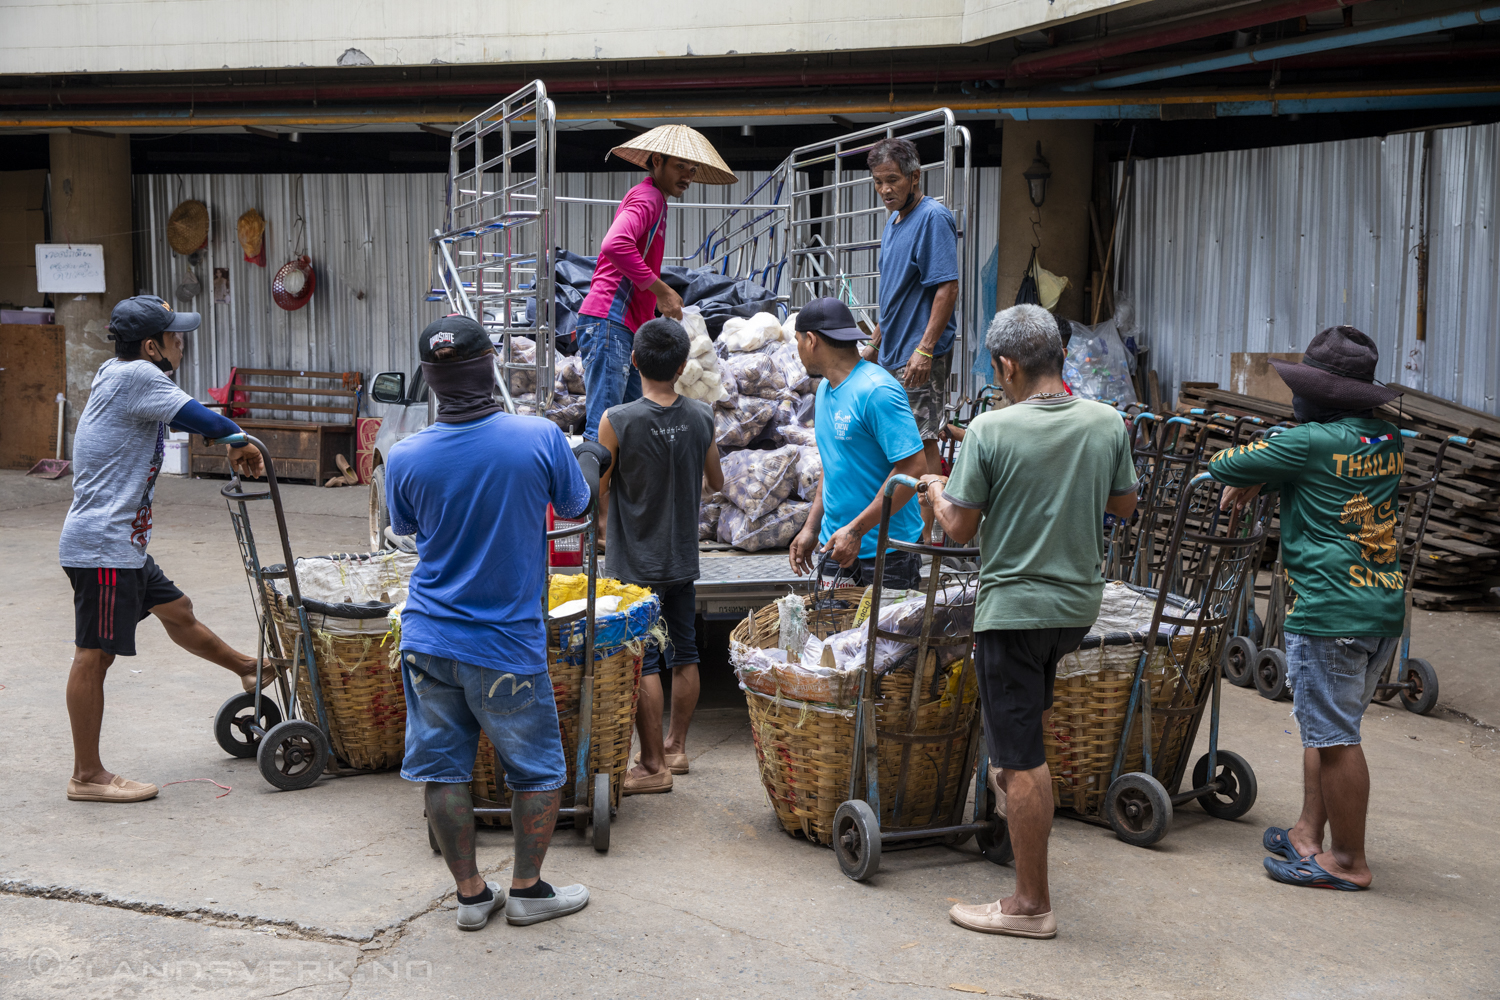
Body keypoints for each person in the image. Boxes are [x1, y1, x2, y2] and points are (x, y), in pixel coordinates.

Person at [922, 304, 1138, 939]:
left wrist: (936, 492)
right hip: (1074, 609)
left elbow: (959, 527)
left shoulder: (990, 431)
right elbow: (1123, 504)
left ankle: (1029, 904)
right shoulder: (1106, 423)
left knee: (1016, 761)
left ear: (1006, 366)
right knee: (1028, 738)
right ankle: (1021, 858)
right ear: (1061, 358)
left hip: (1014, 611)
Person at [386, 315, 595, 932]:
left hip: (426, 637)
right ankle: (528, 890)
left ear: (431, 381)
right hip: (504, 643)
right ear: (491, 369)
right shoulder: (539, 438)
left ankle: (472, 896)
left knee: (442, 769)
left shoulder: (405, 456)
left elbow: (409, 531)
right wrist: (590, 459)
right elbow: (578, 505)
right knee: (536, 770)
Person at [1211, 326, 1406, 892]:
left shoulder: (1307, 442)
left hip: (1330, 610)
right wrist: (1272, 478)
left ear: (1322, 397)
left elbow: (1227, 464)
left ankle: (1347, 861)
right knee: (1324, 730)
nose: (1293, 396)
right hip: (1378, 604)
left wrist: (1258, 476)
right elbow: (1321, 475)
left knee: (1338, 739)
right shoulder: (1384, 440)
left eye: (1300, 388)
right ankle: (1307, 833)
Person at [58, 295, 267, 804]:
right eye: (175, 336)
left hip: (118, 543)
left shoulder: (117, 371)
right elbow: (204, 418)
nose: (182, 342)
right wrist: (239, 439)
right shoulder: (139, 377)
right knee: (95, 655)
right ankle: (87, 776)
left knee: (177, 609)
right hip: (105, 546)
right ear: (152, 346)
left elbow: (180, 420)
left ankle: (244, 666)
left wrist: (229, 438)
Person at [596, 318, 724, 795]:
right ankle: (676, 747)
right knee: (684, 652)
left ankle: (651, 768)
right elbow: (718, 483)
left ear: (634, 362)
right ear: (683, 366)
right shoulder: (701, 415)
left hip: (635, 566)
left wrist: (608, 525)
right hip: (681, 560)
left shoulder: (618, 420)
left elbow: (598, 489)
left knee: (643, 661)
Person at [578, 124, 737, 441]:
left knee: (630, 425)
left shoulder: (657, 202)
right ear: (656, 161)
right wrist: (661, 290)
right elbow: (614, 244)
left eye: (692, 170)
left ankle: (620, 491)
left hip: (624, 325)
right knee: (605, 426)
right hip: (610, 320)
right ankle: (593, 492)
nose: (687, 177)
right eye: (680, 167)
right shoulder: (649, 197)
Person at [788, 297, 927, 589]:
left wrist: (857, 530)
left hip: (888, 553)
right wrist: (812, 527)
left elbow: (913, 466)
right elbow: (833, 463)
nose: (797, 349)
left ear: (811, 340)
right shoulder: (825, 389)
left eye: (797, 340)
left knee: (885, 636)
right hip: (836, 548)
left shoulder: (877, 391)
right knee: (832, 634)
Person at [863, 136, 960, 476]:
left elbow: (947, 287)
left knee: (922, 440)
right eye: (878, 181)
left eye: (892, 180)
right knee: (900, 439)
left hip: (918, 355)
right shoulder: (893, 222)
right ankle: (906, 523)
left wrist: (926, 348)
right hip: (893, 350)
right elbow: (897, 295)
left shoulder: (932, 217)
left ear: (914, 177)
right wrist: (875, 342)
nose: (884, 189)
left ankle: (929, 529)